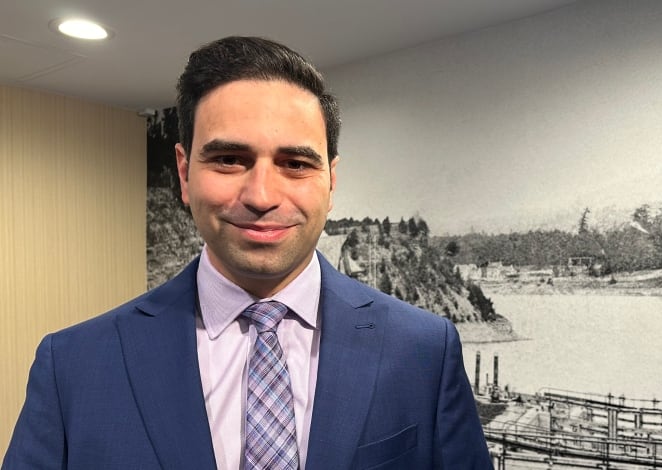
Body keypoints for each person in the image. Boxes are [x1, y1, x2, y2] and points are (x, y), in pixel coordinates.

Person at [3, 36, 492, 469]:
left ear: (331, 180)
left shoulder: (424, 352)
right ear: (184, 172)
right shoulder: (73, 366)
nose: (261, 195)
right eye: (229, 159)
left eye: (295, 163)